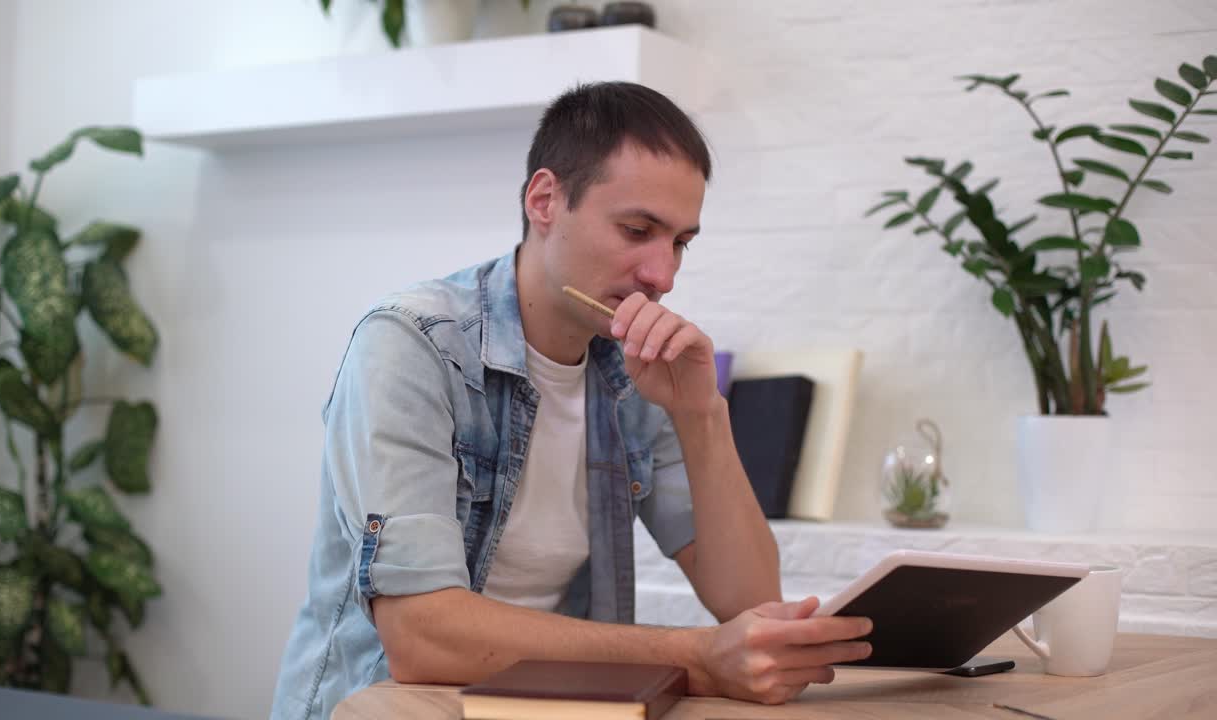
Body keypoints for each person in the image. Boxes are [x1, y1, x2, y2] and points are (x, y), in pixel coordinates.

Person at [270, 81, 872, 720]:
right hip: (389, 704)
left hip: (550, 705)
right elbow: (421, 635)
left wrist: (702, 415)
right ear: (545, 200)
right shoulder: (412, 345)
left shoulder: (632, 373)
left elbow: (750, 600)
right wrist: (696, 655)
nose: (662, 275)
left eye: (679, 243)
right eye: (637, 229)